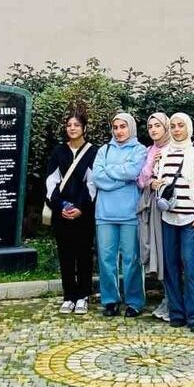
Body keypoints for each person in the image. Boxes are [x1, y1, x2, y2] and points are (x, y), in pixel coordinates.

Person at [155, 113, 194, 332]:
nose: (177, 129)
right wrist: (155, 184)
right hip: (168, 217)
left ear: (188, 127)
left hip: (190, 219)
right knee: (170, 266)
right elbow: (158, 182)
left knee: (190, 266)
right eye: (173, 126)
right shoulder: (163, 153)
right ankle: (176, 312)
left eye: (181, 125)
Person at [91, 112, 148, 317]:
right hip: (105, 214)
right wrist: (122, 178)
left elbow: (133, 172)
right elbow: (97, 176)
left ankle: (134, 301)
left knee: (131, 259)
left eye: (123, 126)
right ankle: (110, 300)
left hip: (130, 213)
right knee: (106, 259)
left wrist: (112, 173)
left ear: (130, 128)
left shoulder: (140, 149)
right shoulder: (103, 150)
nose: (119, 131)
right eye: (115, 127)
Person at [44, 111, 97, 314]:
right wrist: (61, 205)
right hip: (62, 213)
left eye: (76, 124)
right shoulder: (58, 152)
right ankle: (69, 296)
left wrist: (80, 208)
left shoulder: (93, 152)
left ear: (84, 128)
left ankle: (83, 295)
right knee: (65, 254)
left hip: (83, 213)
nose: (72, 128)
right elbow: (51, 182)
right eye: (68, 125)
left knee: (83, 254)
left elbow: (93, 184)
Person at [137, 112, 170, 320]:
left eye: (158, 125)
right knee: (158, 252)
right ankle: (167, 299)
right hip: (152, 207)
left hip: (171, 208)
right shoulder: (149, 151)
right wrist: (151, 176)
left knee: (169, 254)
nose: (154, 130)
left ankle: (173, 301)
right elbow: (141, 180)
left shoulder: (176, 148)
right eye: (150, 127)